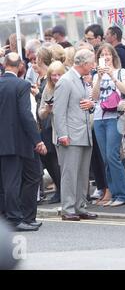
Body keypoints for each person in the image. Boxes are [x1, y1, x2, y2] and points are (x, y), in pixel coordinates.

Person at [0, 53, 47, 231]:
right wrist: (38, 140)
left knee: (8, 181)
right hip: (17, 142)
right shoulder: (21, 85)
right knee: (12, 181)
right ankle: (14, 219)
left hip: (8, 142)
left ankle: (17, 217)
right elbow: (26, 116)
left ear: (5, 65)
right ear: (20, 65)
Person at [53, 49, 97, 221]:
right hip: (70, 136)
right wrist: (62, 134)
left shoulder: (81, 80)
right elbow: (58, 111)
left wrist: (91, 105)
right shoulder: (65, 81)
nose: (93, 66)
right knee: (70, 174)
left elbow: (85, 104)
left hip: (84, 134)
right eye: (92, 63)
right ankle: (68, 208)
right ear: (84, 63)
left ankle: (80, 206)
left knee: (82, 174)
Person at [91, 44, 125, 207]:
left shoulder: (121, 72)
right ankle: (114, 193)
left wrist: (113, 77)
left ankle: (123, 194)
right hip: (100, 117)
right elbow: (94, 97)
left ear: (113, 56)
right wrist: (99, 78)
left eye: (108, 54)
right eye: (102, 54)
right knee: (105, 157)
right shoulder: (96, 75)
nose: (106, 57)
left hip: (115, 116)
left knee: (112, 155)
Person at [38, 61, 66, 204]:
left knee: (60, 162)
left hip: (64, 129)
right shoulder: (48, 89)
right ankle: (59, 189)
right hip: (49, 127)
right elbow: (41, 112)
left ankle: (64, 191)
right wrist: (47, 109)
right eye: (53, 75)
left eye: (58, 75)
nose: (55, 78)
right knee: (49, 160)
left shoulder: (68, 86)